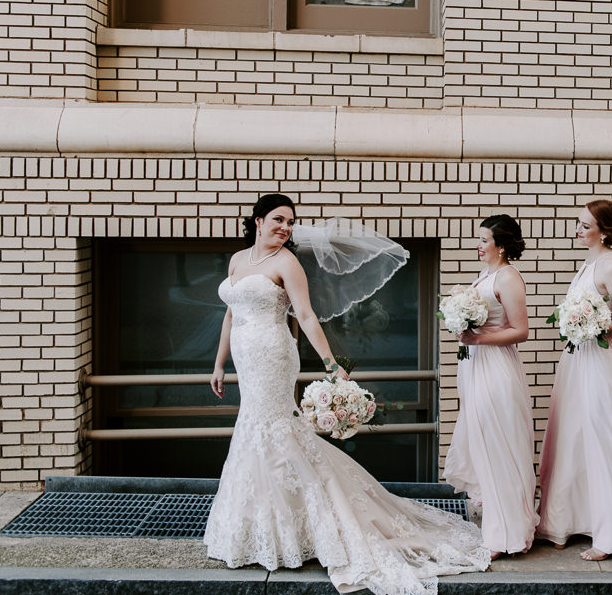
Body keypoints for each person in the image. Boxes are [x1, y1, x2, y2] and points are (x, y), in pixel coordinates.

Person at [204, 194, 490, 595]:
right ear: (257, 221)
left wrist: (330, 362)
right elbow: (231, 314)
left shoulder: (287, 263)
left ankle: (297, 530)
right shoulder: (237, 260)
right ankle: (265, 528)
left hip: (272, 354)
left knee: (274, 431)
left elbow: (304, 315)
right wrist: (219, 364)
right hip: (244, 359)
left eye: (290, 221)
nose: (285, 227)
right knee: (256, 431)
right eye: (278, 220)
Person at [536, 199, 612, 560]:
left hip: (600, 362)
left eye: (585, 225)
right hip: (576, 361)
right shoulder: (587, 263)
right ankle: (564, 523)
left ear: (604, 230)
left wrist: (593, 325)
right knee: (571, 439)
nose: (578, 230)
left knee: (601, 439)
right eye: (578, 224)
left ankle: (610, 534)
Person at [443, 215, 539, 559]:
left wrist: (479, 337)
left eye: (483, 240)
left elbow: (521, 331)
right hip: (475, 368)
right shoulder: (484, 275)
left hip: (496, 370)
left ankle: (505, 534)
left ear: (500, 245)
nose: (478, 245)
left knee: (499, 447)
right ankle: (496, 524)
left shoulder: (508, 277)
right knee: (483, 446)